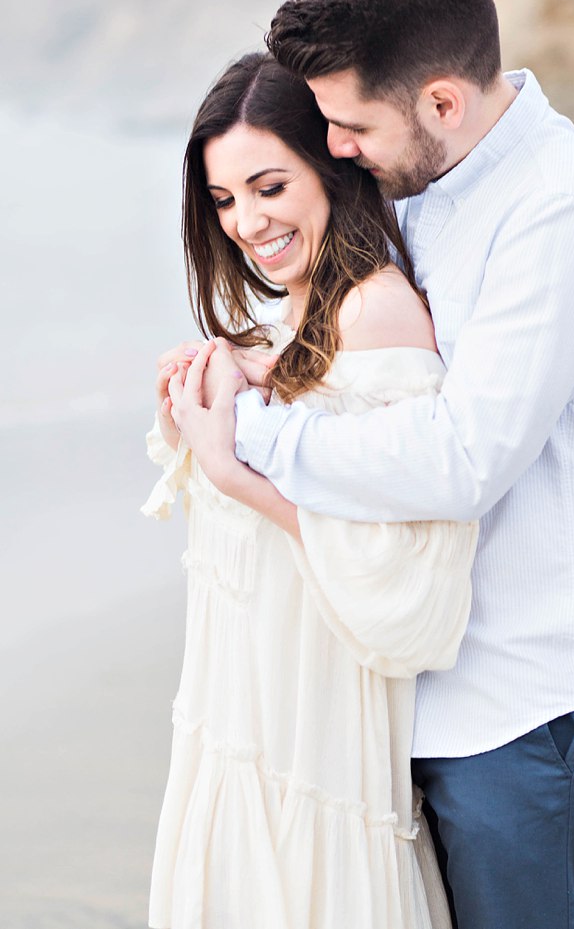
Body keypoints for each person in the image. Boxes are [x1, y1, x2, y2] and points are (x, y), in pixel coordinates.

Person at [168, 0, 574, 929]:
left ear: (442, 101)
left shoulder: (561, 210)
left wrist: (252, 434)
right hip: (413, 689)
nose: (338, 149)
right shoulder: (428, 193)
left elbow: (460, 458)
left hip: (530, 703)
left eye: (350, 125)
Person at [145, 52, 478, 927]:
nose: (247, 223)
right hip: (243, 722)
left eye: (268, 186)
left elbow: (409, 579)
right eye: (223, 201)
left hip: (317, 742)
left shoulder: (377, 311)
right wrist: (201, 415)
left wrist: (231, 473)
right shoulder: (283, 324)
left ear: (331, 166)